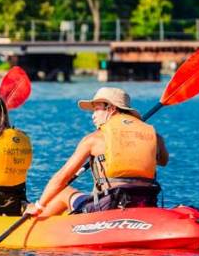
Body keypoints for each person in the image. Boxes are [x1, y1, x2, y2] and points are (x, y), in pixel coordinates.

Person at [27, 87, 168, 218]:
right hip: (147, 201)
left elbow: (61, 179)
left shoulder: (93, 139)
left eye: (96, 109)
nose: (93, 116)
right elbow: (163, 160)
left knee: (64, 192)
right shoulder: (154, 135)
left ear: (111, 109)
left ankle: (34, 225)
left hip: (109, 206)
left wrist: (39, 205)